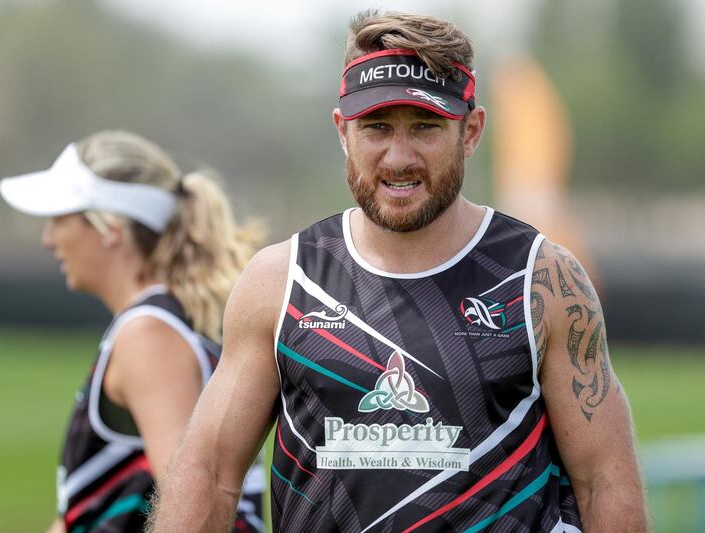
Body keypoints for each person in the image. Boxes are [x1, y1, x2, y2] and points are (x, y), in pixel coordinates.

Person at [149, 10, 649, 533]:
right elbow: (209, 474)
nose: (399, 156)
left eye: (426, 127)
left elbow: (604, 481)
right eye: (377, 127)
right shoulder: (280, 280)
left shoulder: (541, 280)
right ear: (344, 131)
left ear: (471, 131)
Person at [0, 130, 266, 532]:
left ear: (110, 228)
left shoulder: (148, 335)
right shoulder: (165, 321)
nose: (48, 239)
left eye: (60, 218)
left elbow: (194, 512)